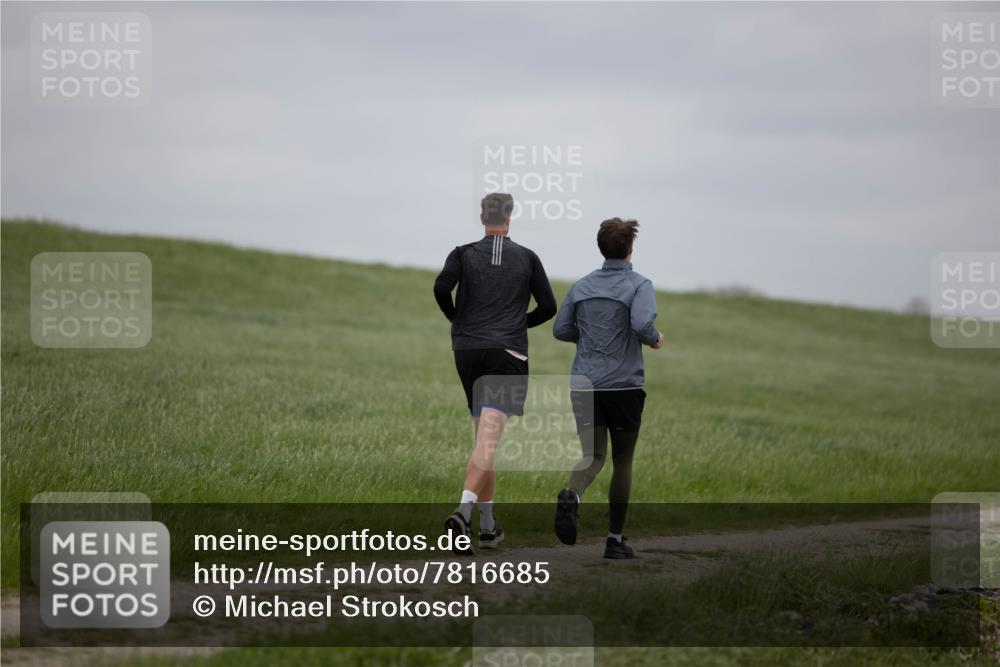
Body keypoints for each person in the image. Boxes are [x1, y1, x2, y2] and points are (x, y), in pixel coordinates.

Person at [433, 193, 557, 555]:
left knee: (483, 442)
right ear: (510, 217)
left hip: (467, 351)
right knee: (487, 443)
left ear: (482, 217)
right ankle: (462, 513)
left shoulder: (462, 253)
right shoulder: (528, 257)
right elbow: (548, 306)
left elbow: (441, 288)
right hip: (507, 353)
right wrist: (519, 323)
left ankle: (487, 527)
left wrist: (455, 317)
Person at [552, 218, 663, 559]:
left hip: (584, 383)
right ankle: (614, 541)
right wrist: (654, 338)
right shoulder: (639, 285)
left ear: (601, 248)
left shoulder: (582, 285)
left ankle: (572, 494)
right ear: (630, 249)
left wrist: (588, 337)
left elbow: (560, 329)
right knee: (622, 461)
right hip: (624, 386)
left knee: (593, 456)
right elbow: (641, 323)